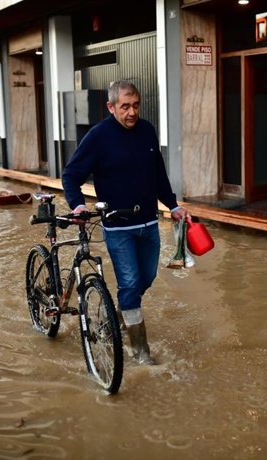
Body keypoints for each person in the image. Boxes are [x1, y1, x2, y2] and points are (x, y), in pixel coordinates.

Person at [62, 80, 188, 365]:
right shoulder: (98, 137)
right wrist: (78, 204)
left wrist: (174, 206)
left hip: (148, 224)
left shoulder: (147, 131)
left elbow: (159, 174)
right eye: (124, 106)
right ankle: (141, 351)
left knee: (146, 279)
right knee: (130, 284)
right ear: (110, 107)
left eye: (136, 105)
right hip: (118, 227)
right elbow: (71, 175)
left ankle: (116, 319)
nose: (132, 112)